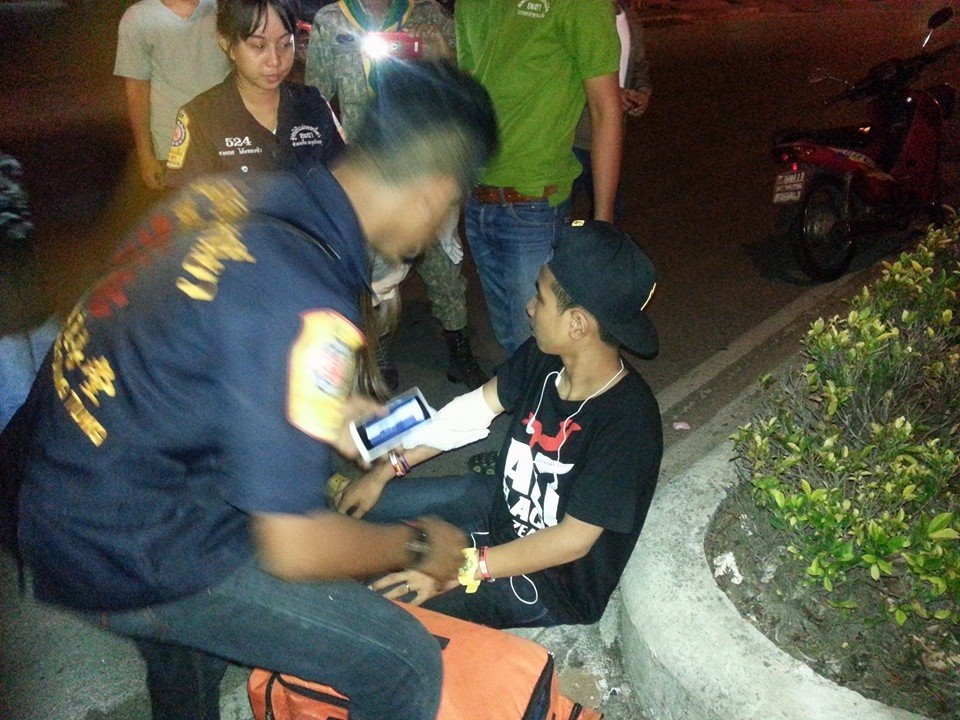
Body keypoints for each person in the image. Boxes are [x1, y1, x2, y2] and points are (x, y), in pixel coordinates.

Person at [9, 61, 497, 720]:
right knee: (401, 660)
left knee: (191, 647)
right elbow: (294, 546)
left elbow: (184, 339)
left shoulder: (233, 196)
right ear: (434, 193)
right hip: (130, 538)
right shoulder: (306, 296)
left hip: (59, 482)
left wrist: (321, 409)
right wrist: (418, 544)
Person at [333, 221, 663, 629]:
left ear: (577, 324)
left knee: (381, 615)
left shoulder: (629, 423)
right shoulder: (545, 358)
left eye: (540, 297)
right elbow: (471, 412)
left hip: (548, 579)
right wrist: (386, 470)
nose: (529, 307)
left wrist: (463, 568)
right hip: (498, 508)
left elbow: (572, 541)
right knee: (355, 509)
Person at [305, 0, 488, 390]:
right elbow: (316, 99)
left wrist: (444, 57)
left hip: (426, 168)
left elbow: (467, 91)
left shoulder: (427, 15)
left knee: (443, 269)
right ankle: (379, 353)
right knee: (371, 277)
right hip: (370, 174)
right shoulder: (333, 20)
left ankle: (459, 347)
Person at [455, 0, 624, 356]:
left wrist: (604, 219)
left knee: (541, 345)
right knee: (513, 343)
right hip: (477, 198)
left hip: (533, 205)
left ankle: (553, 394)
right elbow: (470, 91)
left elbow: (605, 110)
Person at [165, 0, 346, 186]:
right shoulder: (200, 117)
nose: (275, 61)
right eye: (259, 46)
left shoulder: (313, 104)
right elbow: (185, 199)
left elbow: (345, 180)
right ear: (227, 45)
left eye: (285, 44)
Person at [114, 0, 231, 190]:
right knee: (183, 206)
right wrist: (145, 155)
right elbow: (137, 90)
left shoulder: (226, 9)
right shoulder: (138, 18)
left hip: (228, 138)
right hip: (173, 144)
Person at [570, 0, 651, 223]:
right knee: (556, 219)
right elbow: (563, 74)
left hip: (610, 140)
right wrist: (610, 94)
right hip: (572, 139)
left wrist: (642, 93)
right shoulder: (580, 12)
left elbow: (639, 66)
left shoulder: (629, 18)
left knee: (609, 218)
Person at [0, 153, 58, 431]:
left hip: (35, 300)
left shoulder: (10, 162)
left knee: (62, 387)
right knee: (18, 403)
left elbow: (28, 231)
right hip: (5, 326)